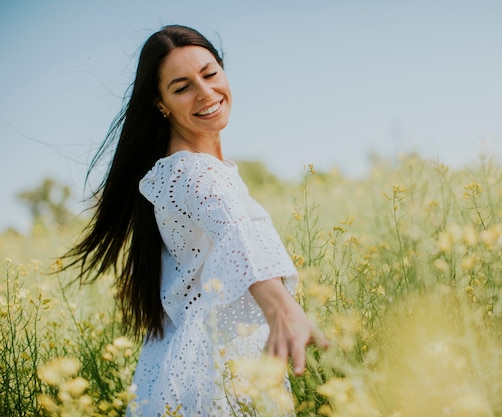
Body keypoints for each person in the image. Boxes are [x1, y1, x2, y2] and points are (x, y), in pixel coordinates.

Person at [64, 24, 328, 416]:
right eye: (182, 86)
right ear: (160, 104)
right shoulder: (190, 173)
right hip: (211, 379)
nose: (205, 93)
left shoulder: (192, 170)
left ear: (223, 70)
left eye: (209, 74)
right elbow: (235, 231)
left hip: (186, 367)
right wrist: (281, 309)